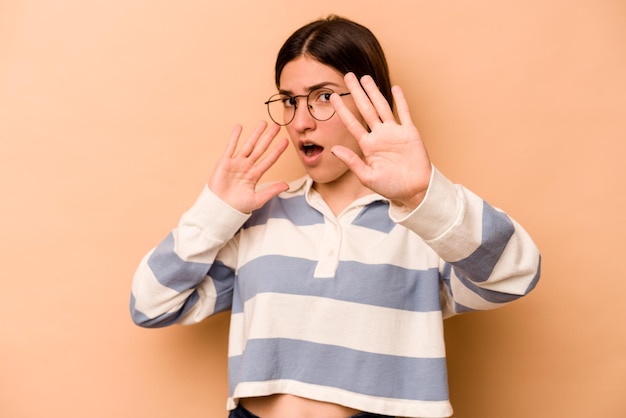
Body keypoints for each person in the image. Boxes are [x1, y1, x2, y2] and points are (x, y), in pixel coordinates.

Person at [130, 15, 541, 418]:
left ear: (367, 102)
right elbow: (151, 305)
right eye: (290, 101)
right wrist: (215, 211)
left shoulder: (423, 219)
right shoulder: (259, 217)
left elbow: (515, 274)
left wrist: (421, 195)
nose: (301, 121)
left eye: (323, 96)